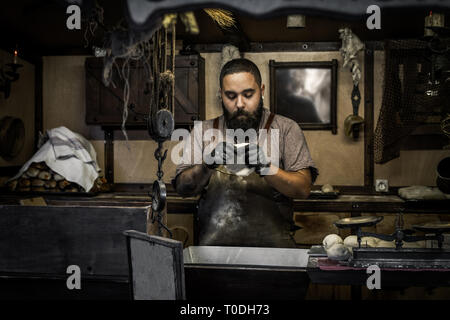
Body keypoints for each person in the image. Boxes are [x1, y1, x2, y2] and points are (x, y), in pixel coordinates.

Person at [172, 58, 318, 248]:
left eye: (248, 94)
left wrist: (266, 168)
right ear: (221, 95)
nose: (239, 103)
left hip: (275, 256)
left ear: (262, 91)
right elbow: (183, 189)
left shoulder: (285, 129)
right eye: (231, 96)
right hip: (214, 254)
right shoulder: (203, 131)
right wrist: (206, 165)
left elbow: (303, 189)